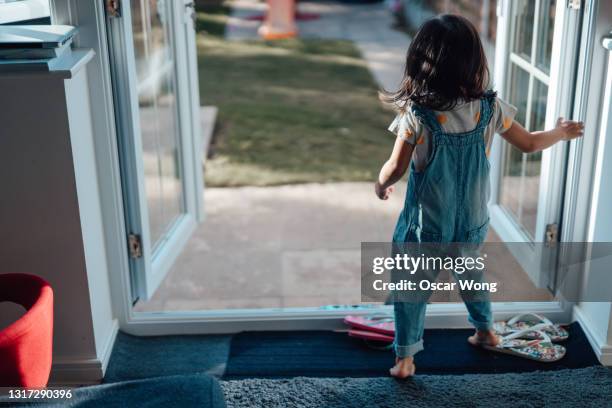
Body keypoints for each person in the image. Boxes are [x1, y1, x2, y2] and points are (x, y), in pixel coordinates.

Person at [375, 14, 584, 378]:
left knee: (410, 287)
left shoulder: (418, 115)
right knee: (471, 276)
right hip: (470, 222)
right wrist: (561, 133)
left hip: (427, 228)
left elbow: (396, 167)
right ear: (474, 62)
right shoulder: (489, 110)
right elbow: (531, 143)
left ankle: (406, 359)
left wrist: (381, 184)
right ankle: (486, 331)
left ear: (421, 64)